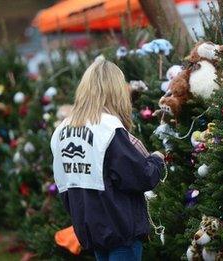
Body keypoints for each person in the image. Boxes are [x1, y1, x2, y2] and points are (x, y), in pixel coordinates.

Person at [50, 58, 164, 261]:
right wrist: (157, 161)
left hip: (90, 230)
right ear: (116, 90)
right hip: (120, 229)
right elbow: (139, 177)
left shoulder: (61, 131)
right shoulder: (108, 128)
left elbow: (64, 185)